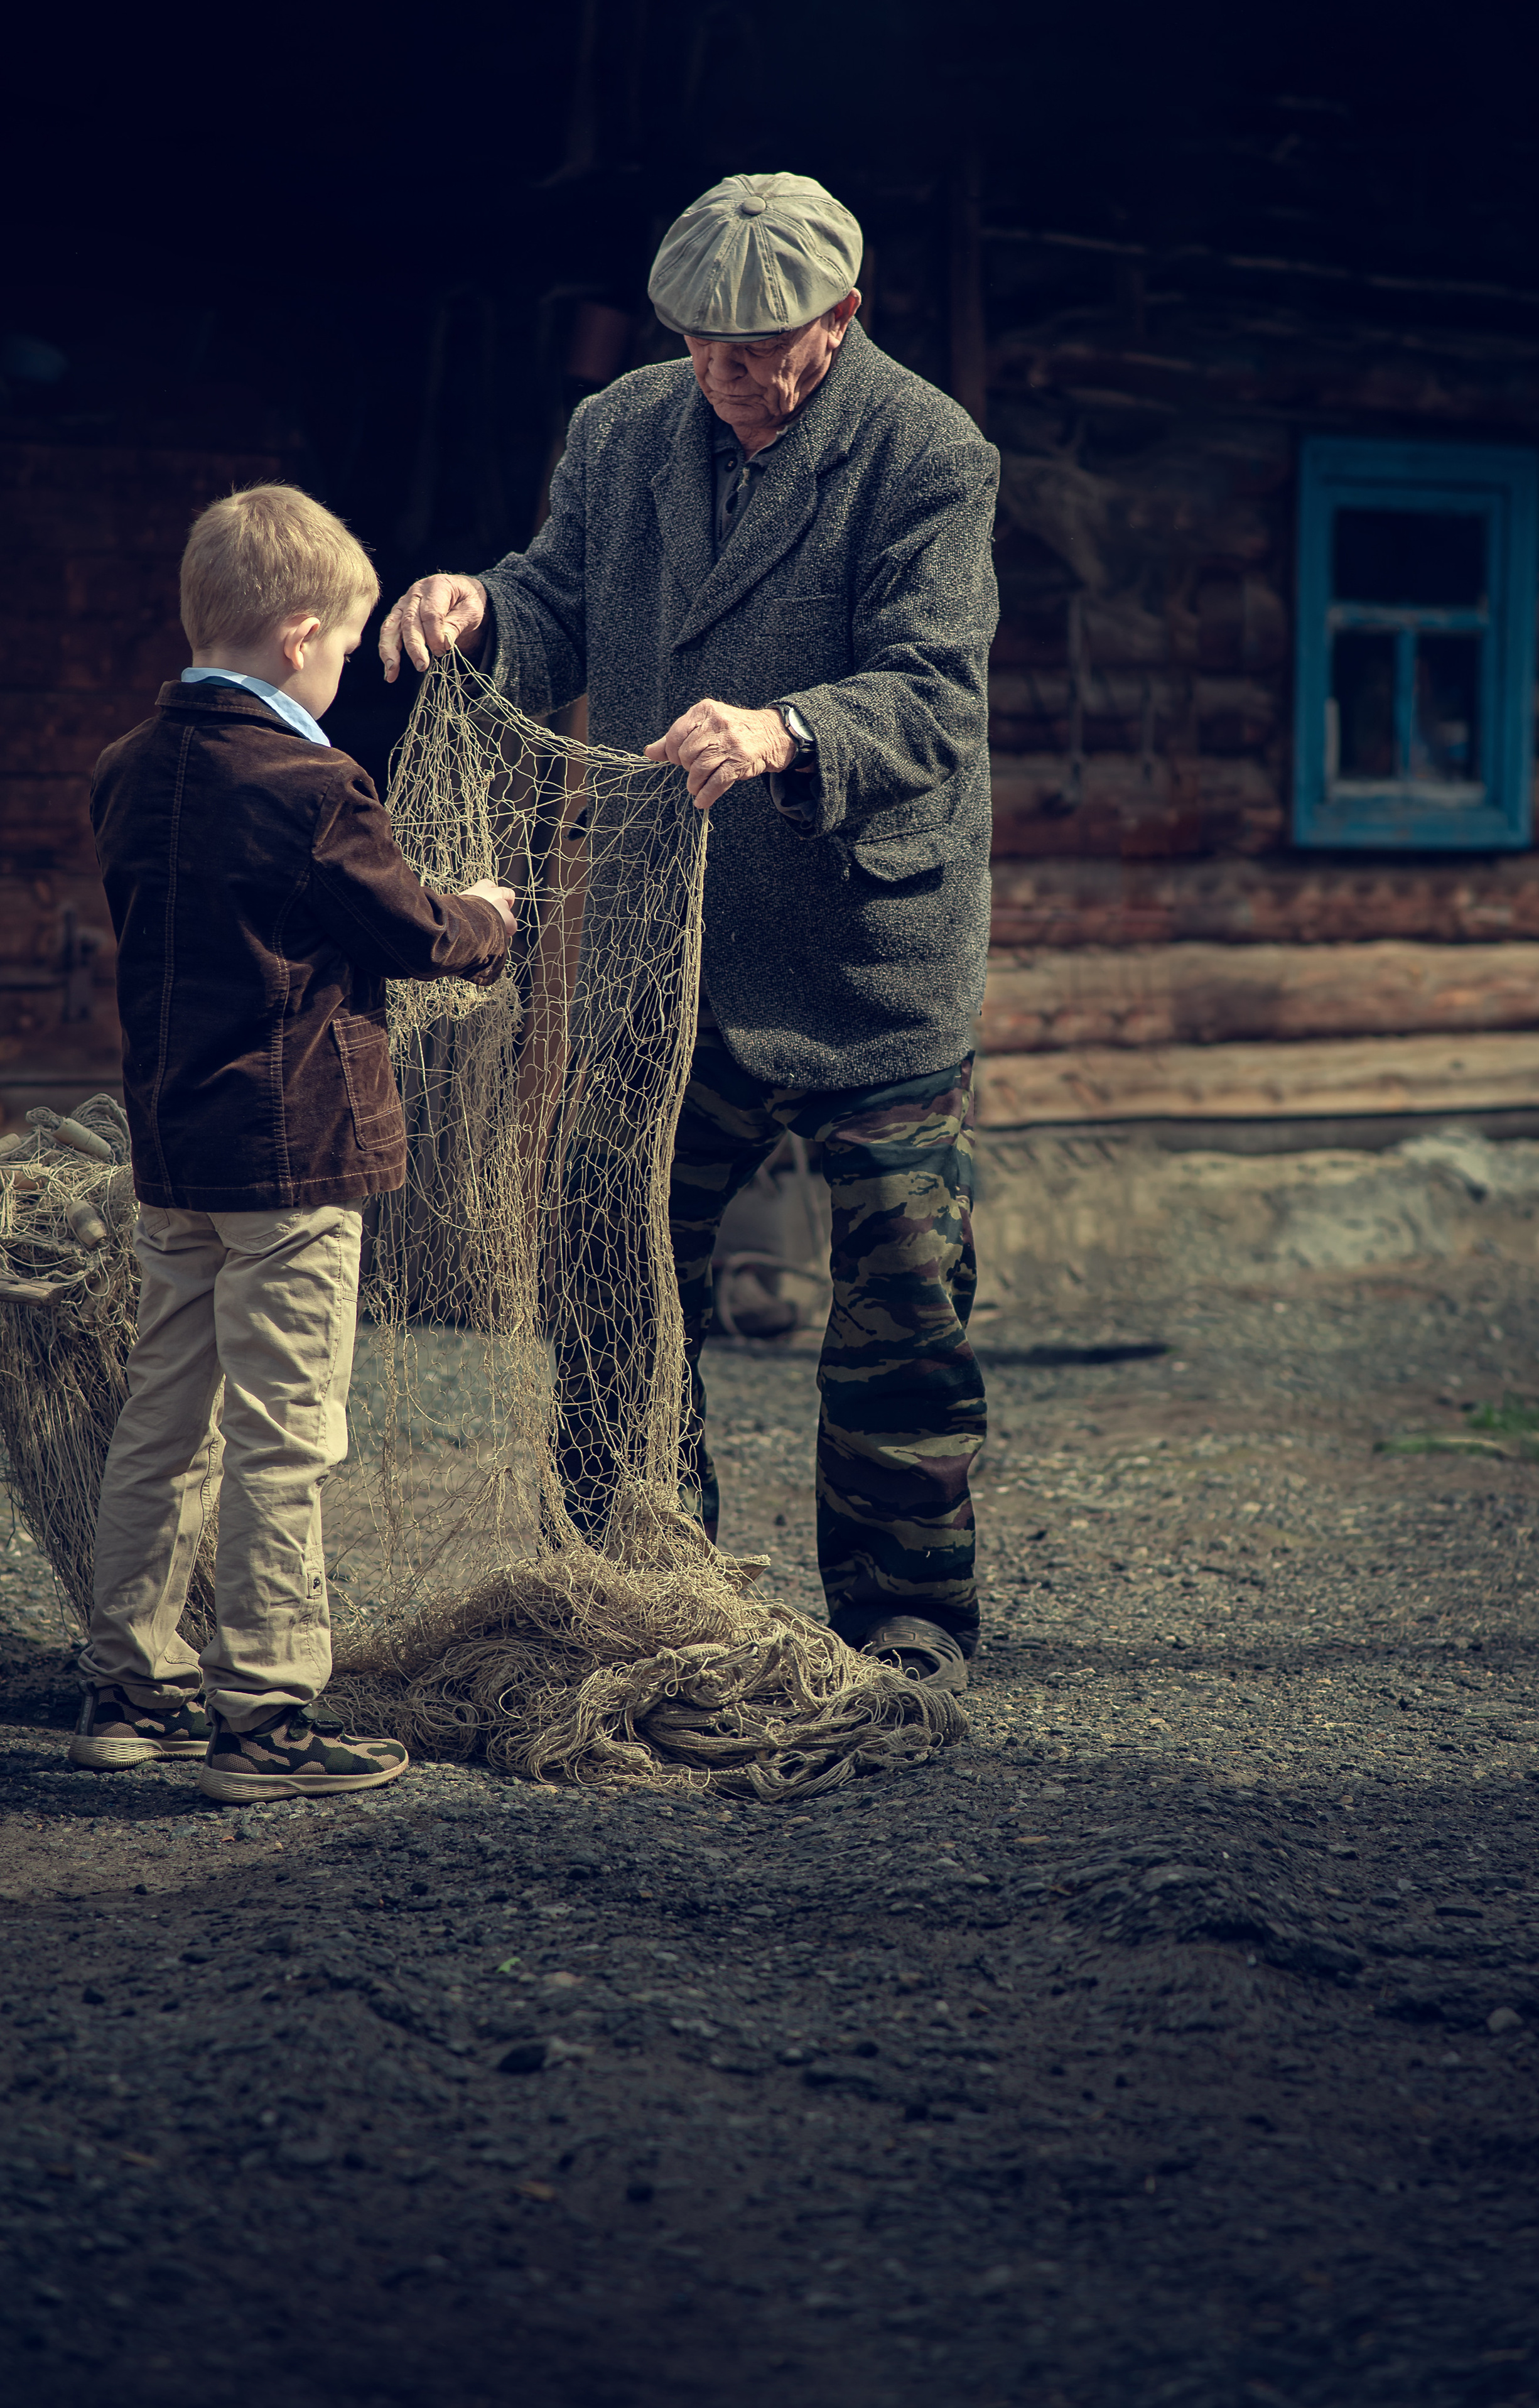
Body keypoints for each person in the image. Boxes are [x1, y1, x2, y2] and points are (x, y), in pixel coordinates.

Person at [379, 173, 997, 1693]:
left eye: (757, 343)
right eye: (699, 340)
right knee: (606, 1249)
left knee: (904, 1297)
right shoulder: (623, 429)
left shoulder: (928, 452)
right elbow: (555, 602)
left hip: (870, 953)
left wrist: (791, 726)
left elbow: (936, 690)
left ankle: (908, 1614)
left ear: (840, 320)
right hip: (680, 952)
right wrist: (478, 608)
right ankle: (645, 1572)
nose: (722, 369)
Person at [73, 484, 516, 1800]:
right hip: (294, 1158)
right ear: (297, 638)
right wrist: (486, 912)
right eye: (338, 651)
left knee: (165, 1417)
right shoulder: (313, 784)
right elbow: (416, 935)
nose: (335, 676)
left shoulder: (124, 769)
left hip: (177, 1151)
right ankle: (264, 1719)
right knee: (284, 1434)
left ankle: (127, 1688)